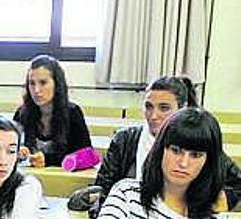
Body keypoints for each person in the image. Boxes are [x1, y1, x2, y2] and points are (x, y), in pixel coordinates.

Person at [89, 108, 234, 219]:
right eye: (176, 150)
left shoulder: (212, 209)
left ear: (208, 161)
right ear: (160, 150)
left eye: (196, 155)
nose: (183, 163)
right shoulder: (127, 192)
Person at [94, 75, 241, 210]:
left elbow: (237, 185)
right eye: (148, 106)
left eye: (164, 108)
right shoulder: (125, 140)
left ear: (182, 108)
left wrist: (217, 202)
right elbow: (104, 187)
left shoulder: (196, 142)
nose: (153, 116)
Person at [13, 54, 92, 168]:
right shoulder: (21, 113)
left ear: (57, 84)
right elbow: (7, 152)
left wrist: (49, 160)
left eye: (43, 83)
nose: (36, 90)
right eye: (32, 83)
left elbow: (88, 157)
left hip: (64, 181)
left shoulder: (72, 113)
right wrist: (17, 154)